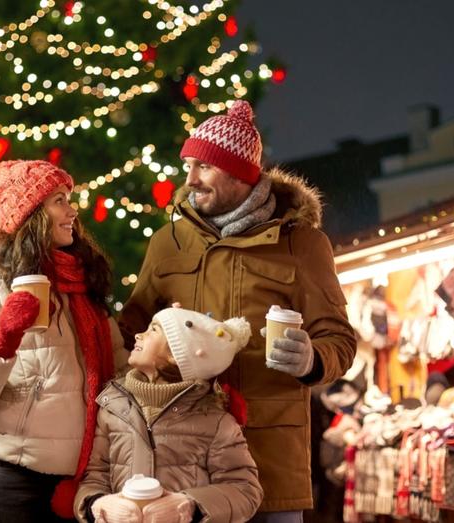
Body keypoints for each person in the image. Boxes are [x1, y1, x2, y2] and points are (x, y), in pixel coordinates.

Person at [119, 100, 357, 521]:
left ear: (239, 173)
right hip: (186, 461)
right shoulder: (167, 242)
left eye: (203, 168)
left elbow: (338, 339)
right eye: (188, 166)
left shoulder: (300, 244)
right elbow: (130, 334)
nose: (189, 180)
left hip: (268, 459)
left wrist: (311, 360)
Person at [0, 159, 125, 522]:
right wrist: (5, 339)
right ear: (29, 215)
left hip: (86, 484)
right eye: (59, 200)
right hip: (18, 486)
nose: (71, 210)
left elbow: (119, 377)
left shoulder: (83, 283)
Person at [76, 306, 263, 523]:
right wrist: (97, 505)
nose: (138, 335)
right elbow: (95, 476)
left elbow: (245, 490)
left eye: (153, 330)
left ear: (176, 355)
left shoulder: (216, 422)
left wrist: (190, 505)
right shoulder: (113, 407)